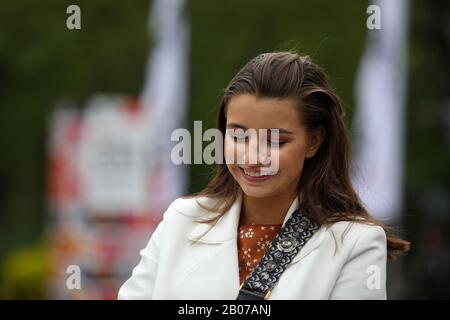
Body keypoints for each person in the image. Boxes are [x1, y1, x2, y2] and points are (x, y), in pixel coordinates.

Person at [118, 51, 410, 300]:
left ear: (314, 141)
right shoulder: (182, 220)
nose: (253, 157)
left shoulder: (354, 242)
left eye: (275, 141)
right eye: (238, 137)